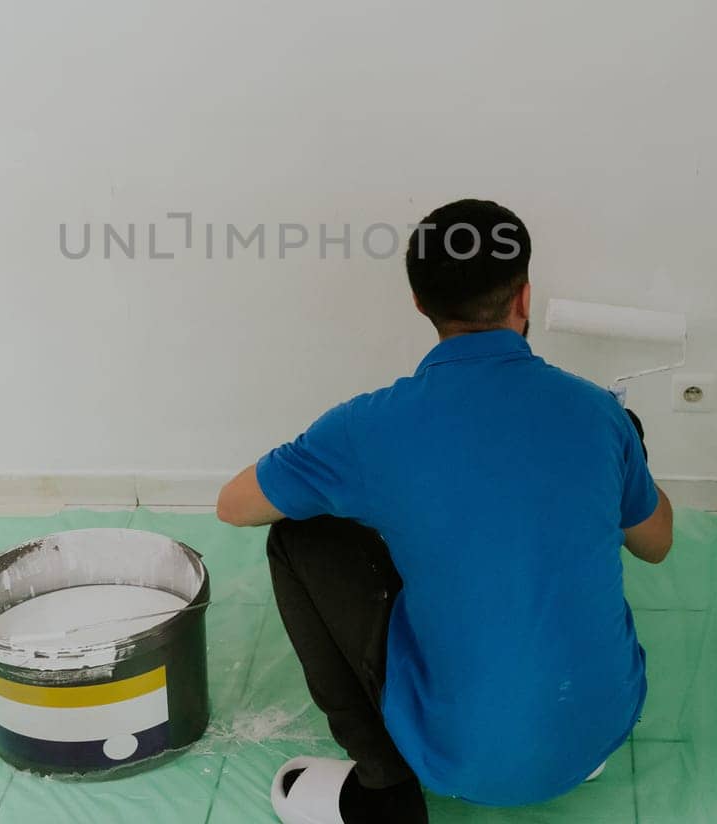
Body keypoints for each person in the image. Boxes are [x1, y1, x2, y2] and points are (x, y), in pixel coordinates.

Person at [217, 199, 673, 824]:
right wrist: (631, 452)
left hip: (458, 757)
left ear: (418, 303)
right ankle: (558, 741)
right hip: (600, 728)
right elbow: (656, 543)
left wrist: (328, 468)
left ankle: (385, 789)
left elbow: (234, 507)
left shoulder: (368, 429)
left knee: (297, 538)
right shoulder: (598, 414)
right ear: (525, 296)